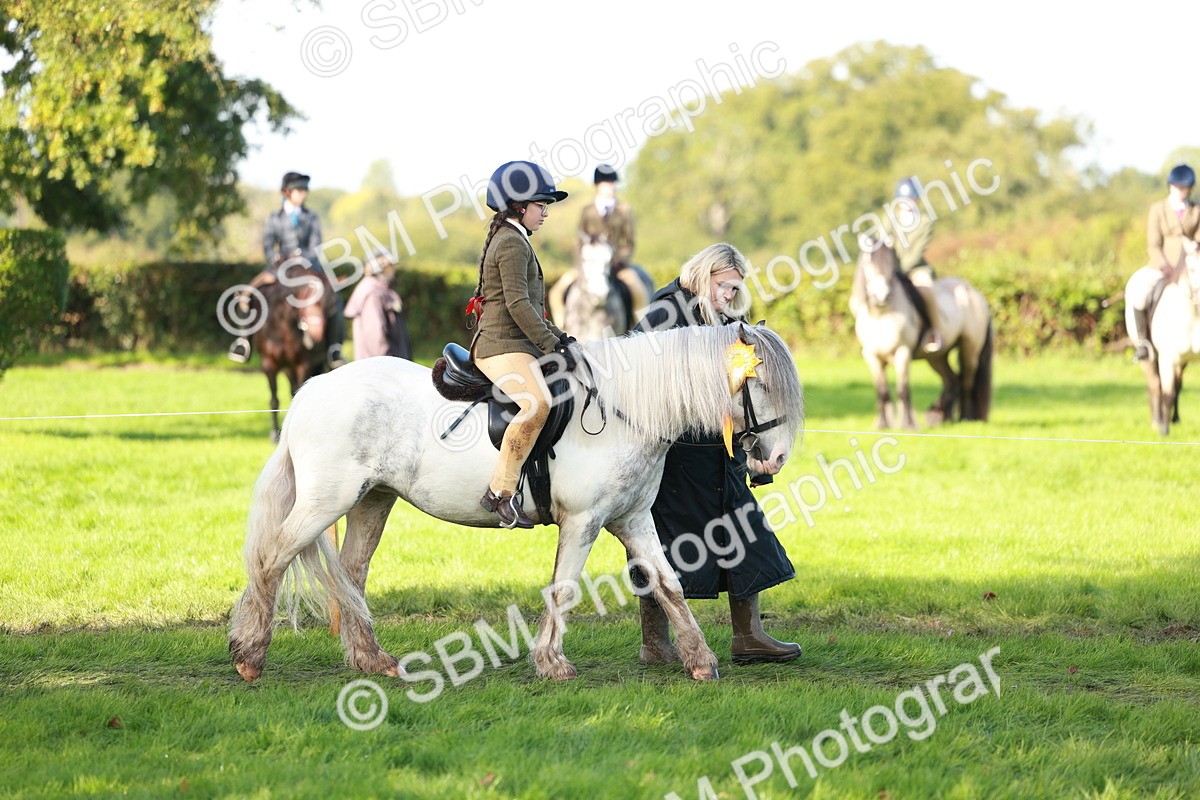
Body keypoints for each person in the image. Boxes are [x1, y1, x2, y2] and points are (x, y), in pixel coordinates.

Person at [632, 242, 801, 665]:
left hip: (720, 455)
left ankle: (749, 635)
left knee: (745, 533)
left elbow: (742, 390)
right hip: (676, 458)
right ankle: (655, 644)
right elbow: (639, 377)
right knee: (661, 545)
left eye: (735, 288)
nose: (730, 294)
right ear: (706, 274)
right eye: (725, 286)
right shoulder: (664, 313)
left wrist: (753, 453)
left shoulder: (730, 321)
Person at [469, 161, 576, 529]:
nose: (545, 211)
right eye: (540, 204)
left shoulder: (515, 238)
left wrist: (560, 338)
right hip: (499, 346)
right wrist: (551, 345)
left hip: (515, 343)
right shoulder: (512, 243)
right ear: (518, 206)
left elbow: (530, 306)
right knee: (536, 405)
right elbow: (517, 306)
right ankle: (500, 492)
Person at [229, 171, 347, 368]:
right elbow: (268, 244)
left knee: (333, 296)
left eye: (305, 190)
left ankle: (334, 349)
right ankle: (243, 341)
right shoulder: (275, 218)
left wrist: (301, 259)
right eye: (299, 190)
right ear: (286, 192)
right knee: (250, 293)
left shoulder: (312, 217)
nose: (303, 194)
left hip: (307, 267)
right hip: (280, 267)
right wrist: (275, 258)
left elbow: (315, 245)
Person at [548, 164, 647, 326]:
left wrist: (617, 260)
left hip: (616, 266)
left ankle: (640, 329)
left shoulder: (624, 210)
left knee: (638, 290)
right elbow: (579, 241)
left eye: (613, 183)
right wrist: (582, 265)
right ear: (598, 185)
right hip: (588, 265)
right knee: (556, 293)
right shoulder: (587, 211)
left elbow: (629, 242)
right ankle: (561, 330)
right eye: (607, 183)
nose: (611, 186)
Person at [1126, 164, 1200, 362]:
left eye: (1184, 188)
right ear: (1170, 186)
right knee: (1139, 294)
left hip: (1190, 267)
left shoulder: (1196, 210)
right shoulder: (1158, 209)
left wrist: (1194, 248)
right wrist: (1165, 265)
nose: (1181, 191)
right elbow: (1153, 244)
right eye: (1177, 187)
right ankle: (1143, 343)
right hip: (1161, 267)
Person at [882, 176, 943, 353]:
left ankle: (935, 330)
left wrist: (899, 270)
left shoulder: (925, 222)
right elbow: (880, 241)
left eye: (911, 199)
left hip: (915, 269)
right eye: (903, 200)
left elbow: (916, 253)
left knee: (927, 288)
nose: (907, 203)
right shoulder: (890, 218)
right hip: (891, 269)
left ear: (917, 199)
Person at [344, 248, 412, 360]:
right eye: (389, 266)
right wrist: (388, 367)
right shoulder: (372, 293)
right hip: (383, 372)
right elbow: (375, 337)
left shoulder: (381, 288)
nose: (393, 269)